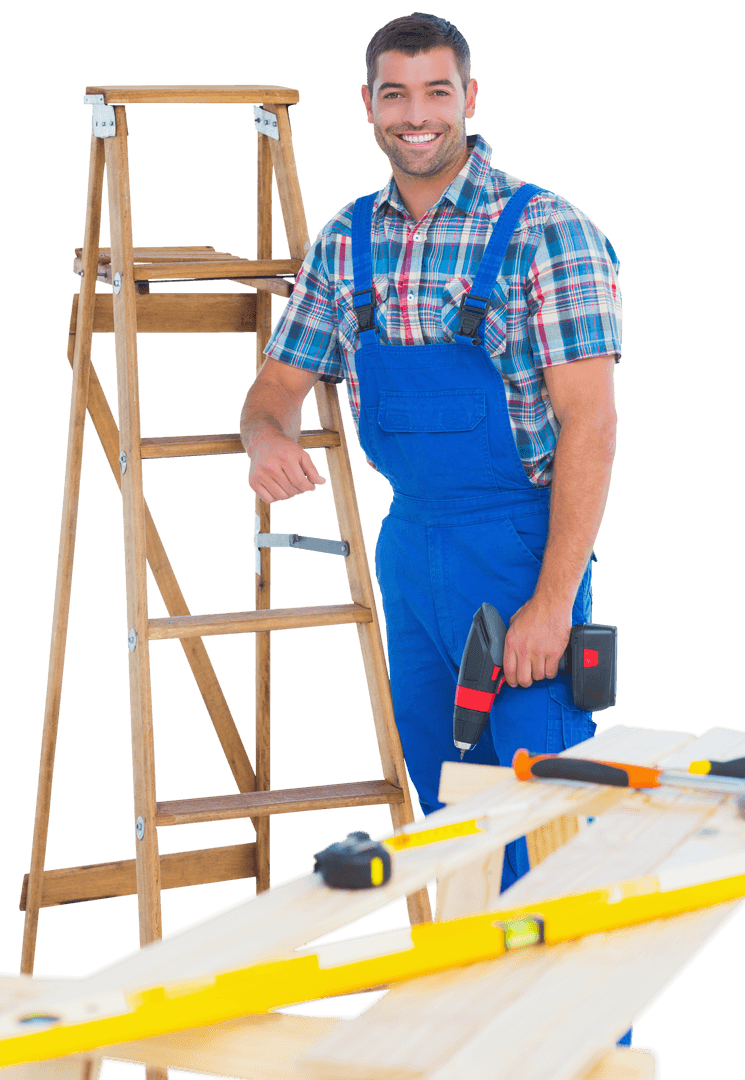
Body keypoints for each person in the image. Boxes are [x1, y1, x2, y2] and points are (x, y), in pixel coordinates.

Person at [240, 12, 621, 891]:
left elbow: (591, 426)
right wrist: (264, 441)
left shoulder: (546, 231)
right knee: (440, 812)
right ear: (368, 105)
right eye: (396, 94)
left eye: (437, 92)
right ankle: (456, 1015)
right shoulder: (346, 242)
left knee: (546, 813)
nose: (418, 115)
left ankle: (570, 1027)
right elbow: (272, 393)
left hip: (519, 549)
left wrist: (553, 603)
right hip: (409, 551)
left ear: (469, 98)